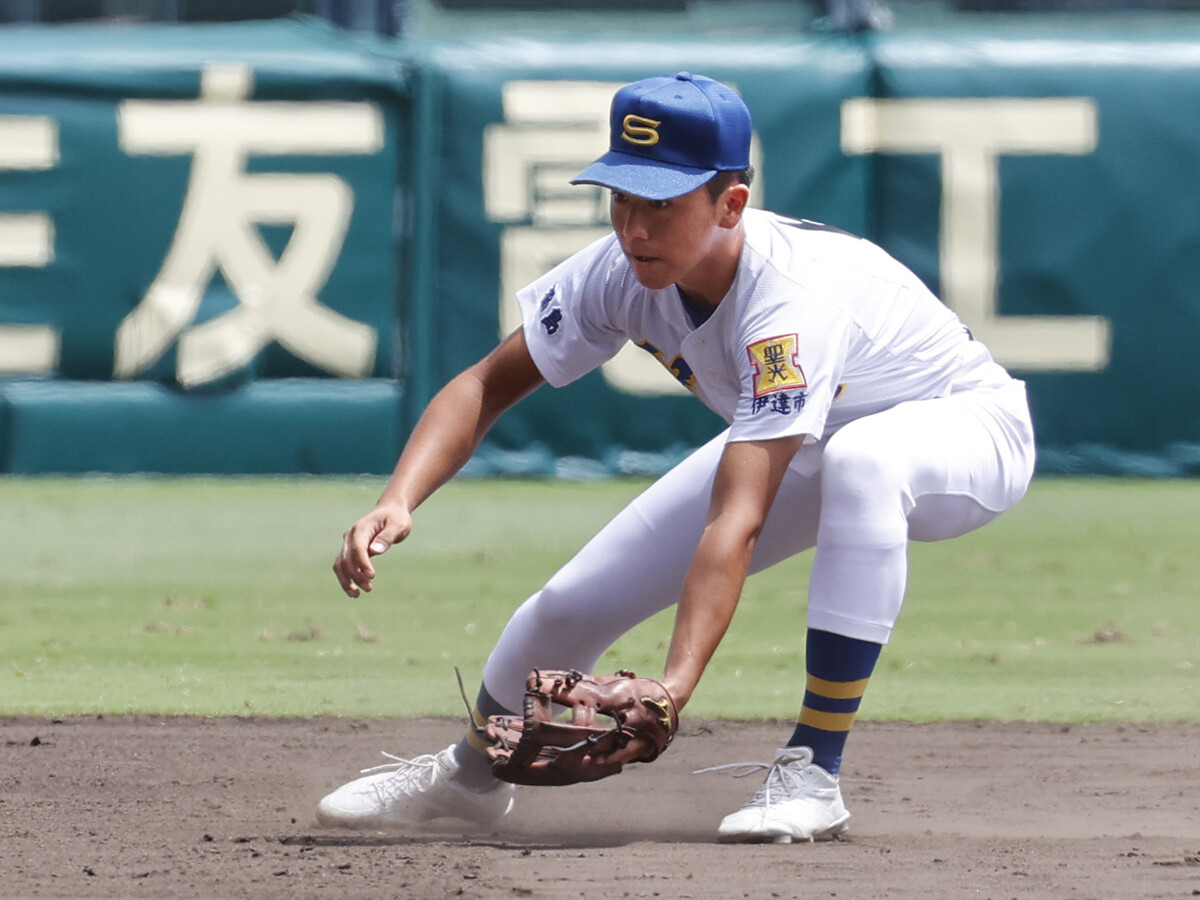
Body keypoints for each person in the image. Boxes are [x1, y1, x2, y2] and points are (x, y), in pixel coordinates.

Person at [316, 72, 1035, 843]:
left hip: (965, 430)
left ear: (731, 204)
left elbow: (738, 519)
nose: (634, 227)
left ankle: (815, 770)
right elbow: (485, 386)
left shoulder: (790, 302)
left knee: (863, 460)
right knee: (570, 604)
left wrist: (673, 686)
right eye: (621, 197)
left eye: (662, 202)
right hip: (806, 435)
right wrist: (400, 497)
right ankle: (470, 777)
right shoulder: (617, 274)